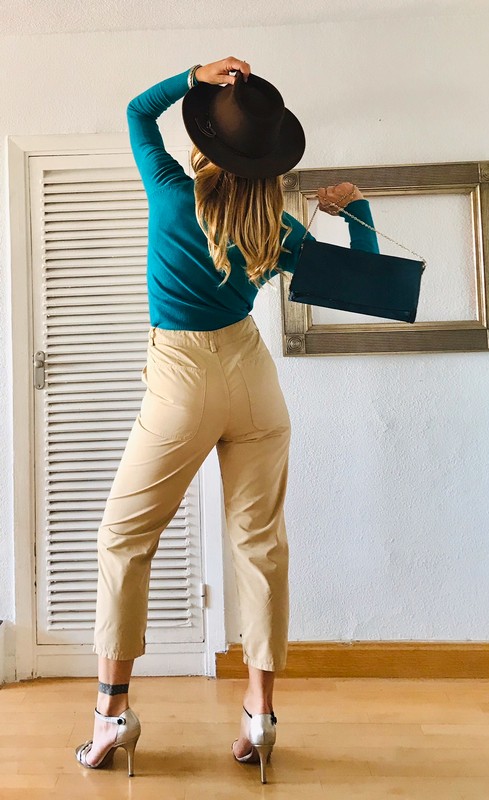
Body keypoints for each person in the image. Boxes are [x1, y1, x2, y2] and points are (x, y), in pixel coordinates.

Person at [75, 56, 379, 783]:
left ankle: (112, 713)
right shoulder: (274, 227)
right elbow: (368, 285)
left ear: (207, 142)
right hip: (253, 381)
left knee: (124, 538)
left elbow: (136, 112)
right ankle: (259, 715)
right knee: (261, 545)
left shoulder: (171, 193)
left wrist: (193, 77)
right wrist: (357, 210)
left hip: (181, 380)